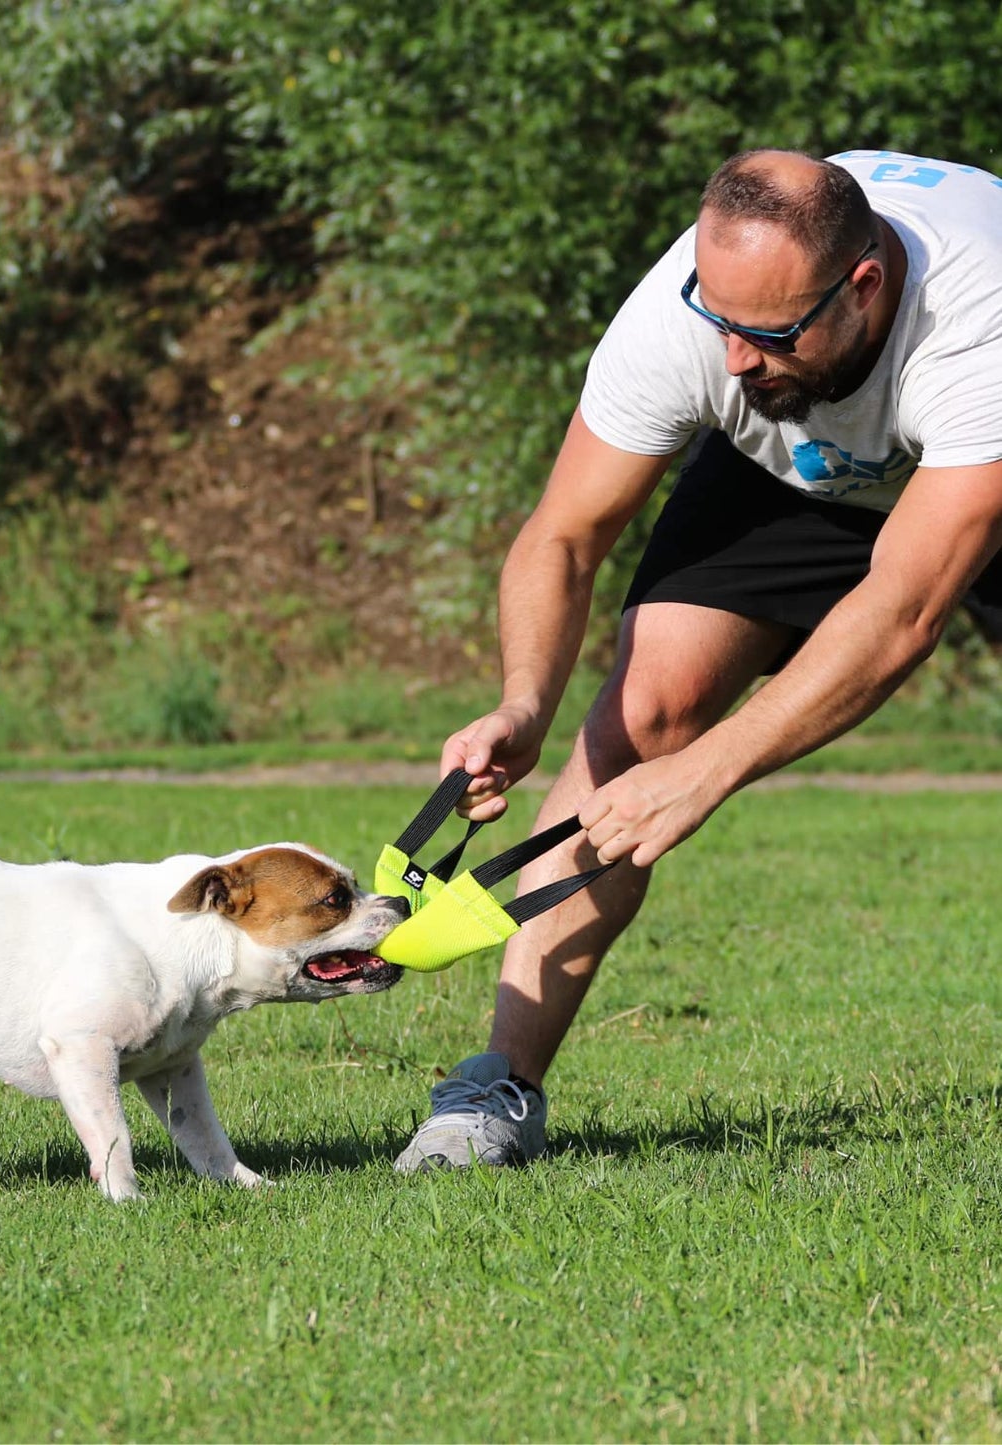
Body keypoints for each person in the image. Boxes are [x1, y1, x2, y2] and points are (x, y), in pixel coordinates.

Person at [394, 148, 1002, 1173]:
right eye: (717, 322)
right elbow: (562, 536)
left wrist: (709, 771)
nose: (728, 359)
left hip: (969, 465)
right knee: (642, 712)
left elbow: (900, 609)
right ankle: (495, 1086)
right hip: (800, 466)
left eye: (761, 331)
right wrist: (520, 699)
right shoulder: (702, 318)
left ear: (863, 287)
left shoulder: (976, 322)